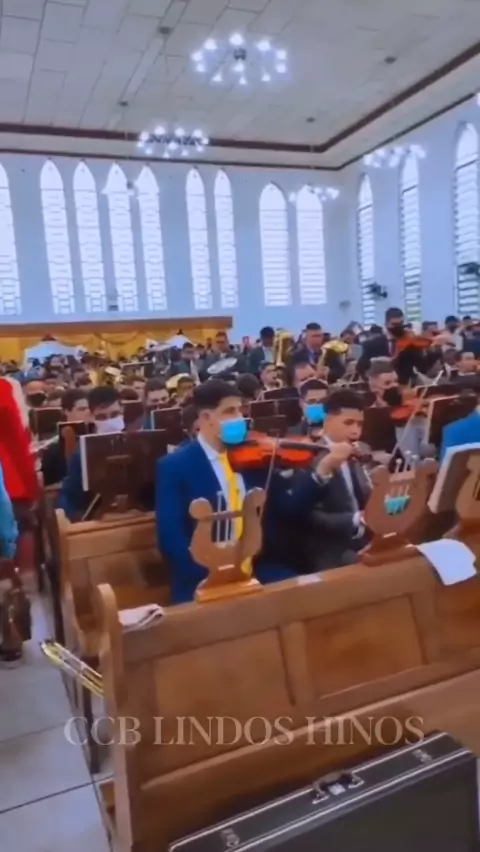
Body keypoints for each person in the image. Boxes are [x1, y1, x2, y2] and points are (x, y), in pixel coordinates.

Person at [155, 380, 348, 603]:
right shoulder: (175, 466)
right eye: (229, 411)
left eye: (240, 410)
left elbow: (288, 508)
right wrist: (218, 573)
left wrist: (322, 471)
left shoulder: (255, 457)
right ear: (206, 418)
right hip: (202, 578)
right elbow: (171, 538)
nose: (239, 417)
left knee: (312, 598)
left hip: (260, 569)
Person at [302, 390, 372, 572]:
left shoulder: (358, 451)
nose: (355, 430)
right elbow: (310, 516)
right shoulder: (310, 456)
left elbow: (364, 495)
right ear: (328, 421)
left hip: (364, 538)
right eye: (348, 423)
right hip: (330, 548)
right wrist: (355, 519)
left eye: (360, 424)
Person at [58, 386, 124, 520]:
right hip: (98, 520)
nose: (109, 421)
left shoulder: (141, 443)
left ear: (123, 411)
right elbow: (69, 497)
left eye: (114, 415)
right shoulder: (80, 454)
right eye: (101, 417)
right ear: (91, 417)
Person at [42, 389, 90, 486]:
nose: (88, 412)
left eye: (90, 409)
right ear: (66, 411)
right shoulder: (52, 449)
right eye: (82, 409)